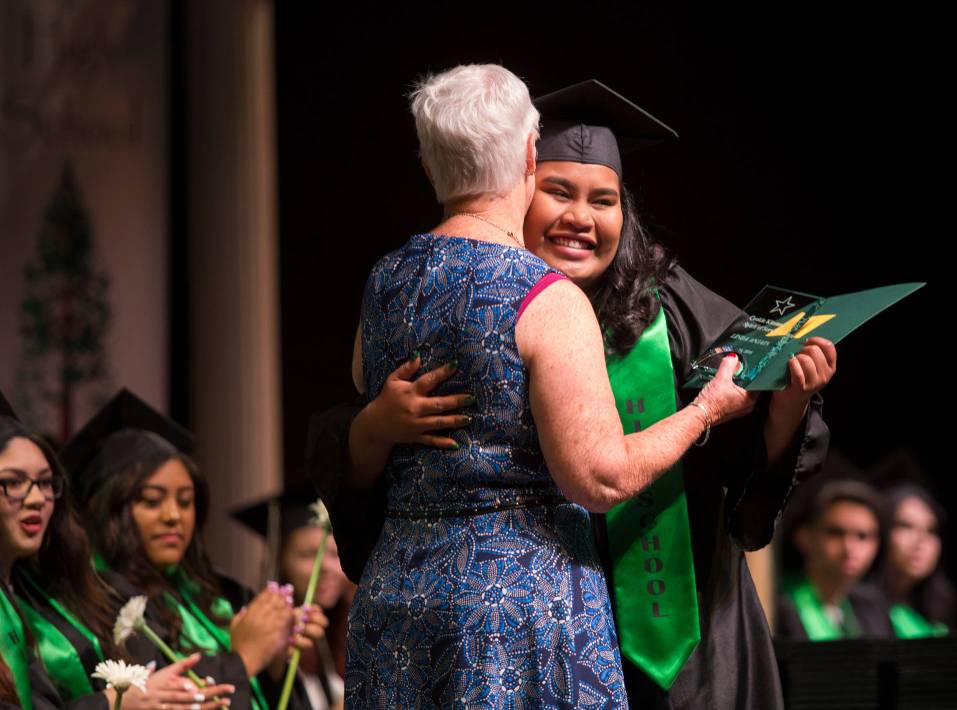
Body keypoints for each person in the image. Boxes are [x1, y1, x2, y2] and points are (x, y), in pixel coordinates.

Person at [309, 79, 834, 708]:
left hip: (680, 634)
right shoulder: (497, 298)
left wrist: (789, 401)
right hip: (542, 620)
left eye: (604, 200)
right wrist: (373, 428)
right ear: (524, 177)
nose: (580, 218)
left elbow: (745, 450)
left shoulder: (672, 310)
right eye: (559, 191)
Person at [60, 389, 327, 710]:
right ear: (109, 509)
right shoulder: (97, 604)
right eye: (152, 500)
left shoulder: (219, 593)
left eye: (186, 502)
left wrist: (274, 657)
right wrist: (244, 658)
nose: (174, 516)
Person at [0, 394, 235, 709]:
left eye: (45, 483)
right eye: (13, 482)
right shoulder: (39, 600)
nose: (36, 498)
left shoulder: (65, 588)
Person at [233, 484, 354, 710]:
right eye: (309, 555)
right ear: (281, 562)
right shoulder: (266, 632)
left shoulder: (350, 626)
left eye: (334, 554)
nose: (325, 567)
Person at [775, 478, 893, 640]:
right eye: (836, 533)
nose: (849, 548)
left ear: (876, 545)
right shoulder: (777, 605)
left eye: (862, 536)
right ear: (804, 537)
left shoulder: (872, 609)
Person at [875, 483, 957, 637]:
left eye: (931, 530)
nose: (921, 540)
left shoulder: (937, 611)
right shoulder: (855, 608)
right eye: (906, 526)